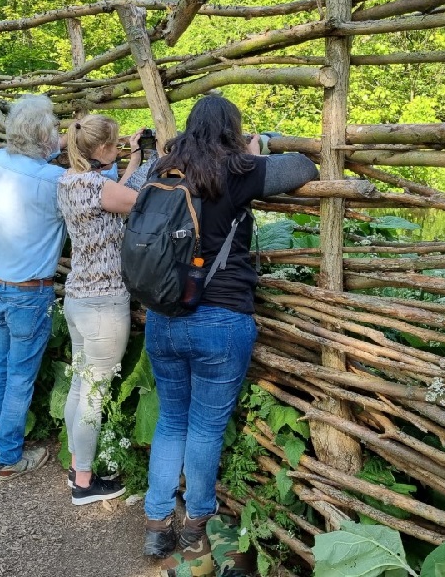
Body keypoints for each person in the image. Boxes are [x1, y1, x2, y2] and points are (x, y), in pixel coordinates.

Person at [141, 96, 319, 567]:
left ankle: (157, 526)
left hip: (164, 315)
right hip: (222, 317)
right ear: (231, 129)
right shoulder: (237, 168)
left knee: (171, 420)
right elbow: (304, 168)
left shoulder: (163, 167)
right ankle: (196, 525)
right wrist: (260, 149)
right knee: (205, 427)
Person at [0, 94, 63, 479]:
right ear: (45, 137)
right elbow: (91, 194)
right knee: (20, 374)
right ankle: (10, 457)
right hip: (30, 290)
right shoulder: (52, 179)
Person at [57, 114, 144, 505]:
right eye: (117, 146)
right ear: (105, 149)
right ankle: (86, 483)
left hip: (77, 297)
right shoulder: (99, 187)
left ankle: (79, 466)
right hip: (104, 303)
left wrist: (136, 163)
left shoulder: (69, 182)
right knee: (96, 390)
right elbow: (144, 203)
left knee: (81, 384)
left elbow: (115, 192)